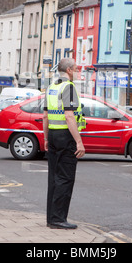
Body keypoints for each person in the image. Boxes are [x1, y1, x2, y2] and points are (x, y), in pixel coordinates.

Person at [43, 58, 86, 230]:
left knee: (54, 177)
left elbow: (45, 116)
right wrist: (79, 141)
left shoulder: (51, 87)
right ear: (69, 70)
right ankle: (58, 219)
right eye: (76, 69)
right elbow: (69, 116)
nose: (77, 72)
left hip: (53, 135)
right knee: (65, 178)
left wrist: (46, 138)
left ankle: (51, 218)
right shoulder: (68, 87)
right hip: (65, 137)